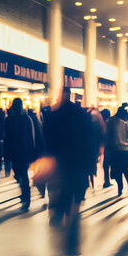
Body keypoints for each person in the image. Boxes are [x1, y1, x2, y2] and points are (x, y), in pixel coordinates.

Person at [44, 88, 94, 226]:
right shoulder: (80, 115)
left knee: (63, 187)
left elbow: (48, 139)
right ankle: (73, 213)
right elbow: (89, 139)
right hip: (77, 160)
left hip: (62, 160)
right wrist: (90, 161)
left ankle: (62, 210)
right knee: (75, 188)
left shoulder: (55, 114)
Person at [4, 98, 35, 212]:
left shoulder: (9, 120)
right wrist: (32, 152)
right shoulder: (26, 119)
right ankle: (26, 196)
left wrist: (6, 154)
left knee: (21, 173)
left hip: (15, 152)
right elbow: (31, 137)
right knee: (22, 174)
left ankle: (25, 196)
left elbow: (6, 138)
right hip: (23, 151)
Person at [106, 105, 128, 196]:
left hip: (115, 149)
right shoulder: (127, 121)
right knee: (124, 168)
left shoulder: (111, 121)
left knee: (117, 169)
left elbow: (107, 133)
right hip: (126, 149)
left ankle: (120, 187)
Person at [28, 108, 47, 197]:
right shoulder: (37, 121)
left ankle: (40, 188)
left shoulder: (31, 120)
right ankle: (41, 189)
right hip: (39, 150)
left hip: (36, 150)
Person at [88, 107, 107, 191]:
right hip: (95, 146)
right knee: (93, 162)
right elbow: (102, 135)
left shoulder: (87, 123)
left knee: (90, 163)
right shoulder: (99, 124)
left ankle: (91, 180)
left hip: (89, 146)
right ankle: (92, 176)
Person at [100, 109, 112, 188]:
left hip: (105, 146)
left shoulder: (102, 123)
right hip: (110, 146)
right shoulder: (109, 122)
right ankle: (107, 180)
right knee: (108, 164)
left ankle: (107, 180)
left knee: (106, 165)